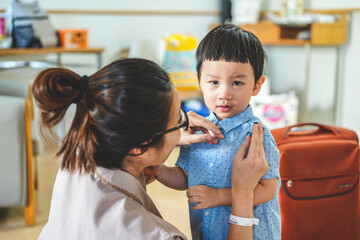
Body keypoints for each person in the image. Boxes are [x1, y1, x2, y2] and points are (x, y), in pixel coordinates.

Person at [33, 58, 268, 240]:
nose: (187, 123)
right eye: (178, 120)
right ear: (141, 146)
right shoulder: (153, 234)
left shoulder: (80, 153)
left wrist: (171, 133)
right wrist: (242, 194)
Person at [151, 24, 281, 240]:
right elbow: (185, 177)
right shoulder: (196, 132)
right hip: (209, 231)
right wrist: (159, 171)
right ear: (200, 81)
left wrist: (220, 196)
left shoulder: (257, 134)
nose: (224, 94)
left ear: (257, 85)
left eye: (237, 83)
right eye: (213, 82)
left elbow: (269, 187)